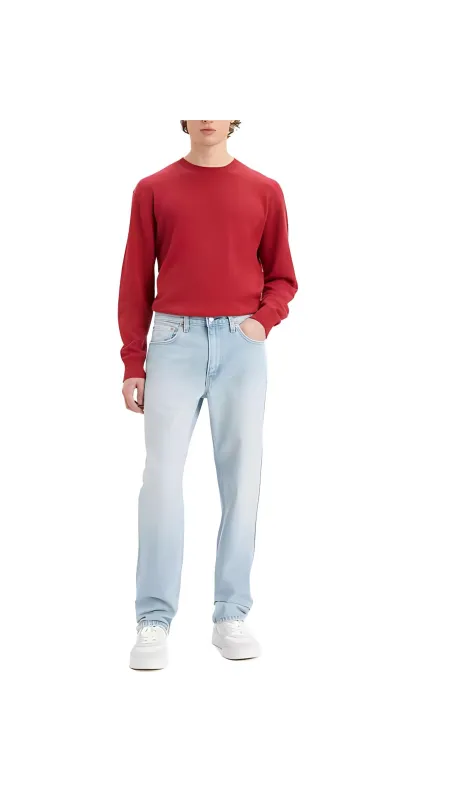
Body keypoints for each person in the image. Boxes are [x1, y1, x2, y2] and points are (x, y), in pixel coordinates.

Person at [117, 120, 298, 669]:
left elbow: (283, 277)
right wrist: (133, 360)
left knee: (242, 479)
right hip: (173, 341)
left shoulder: (264, 190)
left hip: (242, 343)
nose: (207, 115)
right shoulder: (153, 189)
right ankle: (153, 619)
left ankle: (230, 613)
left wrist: (262, 321)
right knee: (160, 480)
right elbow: (135, 280)